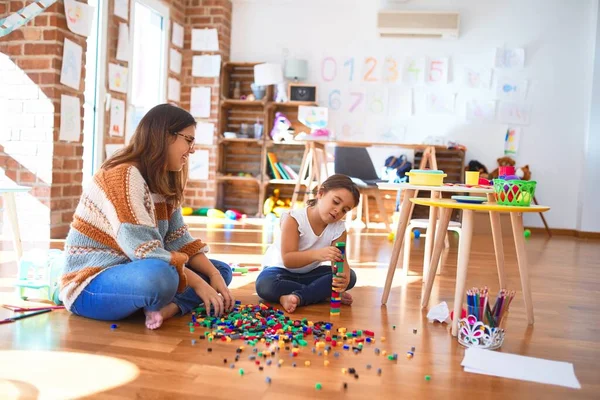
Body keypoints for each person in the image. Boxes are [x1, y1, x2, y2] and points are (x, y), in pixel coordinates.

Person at [59, 104, 234, 329]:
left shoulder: (162, 180)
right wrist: (200, 284)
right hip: (90, 283)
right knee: (163, 276)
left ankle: (168, 308)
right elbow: (144, 251)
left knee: (221, 270)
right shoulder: (123, 176)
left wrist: (211, 274)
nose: (192, 150)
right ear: (165, 136)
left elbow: (180, 241)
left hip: (132, 271)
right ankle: (159, 300)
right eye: (189, 140)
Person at [256, 174, 360, 313]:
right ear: (321, 193)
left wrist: (342, 280)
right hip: (279, 272)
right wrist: (318, 255)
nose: (338, 210)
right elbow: (288, 260)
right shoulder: (294, 219)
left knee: (351, 277)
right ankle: (318, 293)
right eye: (335, 202)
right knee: (265, 285)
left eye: (345, 210)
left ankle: (295, 297)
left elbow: (341, 263)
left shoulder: (339, 229)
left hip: (308, 274)